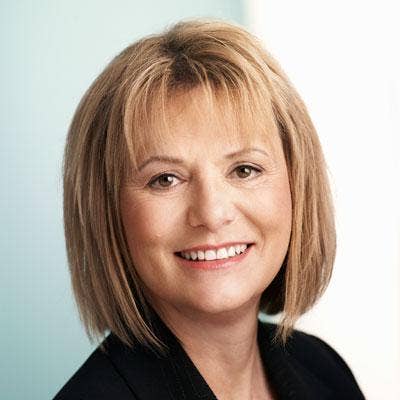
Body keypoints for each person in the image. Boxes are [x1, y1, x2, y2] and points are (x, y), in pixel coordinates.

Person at [54, 18, 365, 400]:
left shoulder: (321, 369)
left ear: (297, 184)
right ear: (108, 213)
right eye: (165, 179)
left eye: (244, 170)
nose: (212, 213)